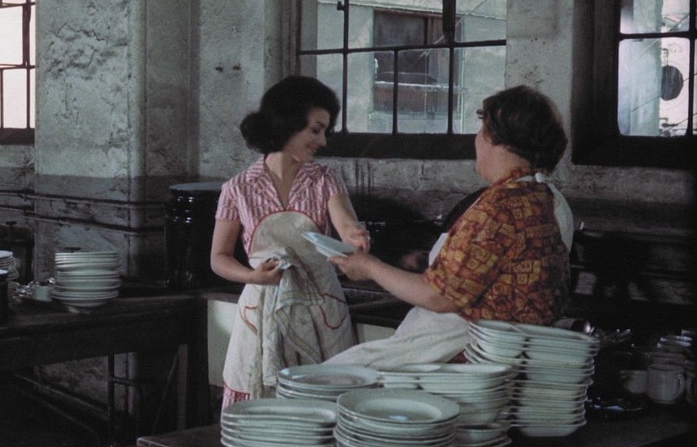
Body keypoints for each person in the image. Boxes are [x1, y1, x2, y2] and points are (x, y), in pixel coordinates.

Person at [326, 85, 574, 369]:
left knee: (331, 376)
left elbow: (439, 297)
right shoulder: (546, 198)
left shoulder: (501, 208)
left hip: (464, 353)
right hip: (506, 351)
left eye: (481, 130)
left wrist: (369, 267)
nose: (477, 139)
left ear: (495, 137)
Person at [211, 75, 370, 408]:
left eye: (325, 131)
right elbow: (219, 257)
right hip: (262, 310)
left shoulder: (325, 179)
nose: (322, 141)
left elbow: (345, 224)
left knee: (325, 406)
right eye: (316, 130)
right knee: (263, 409)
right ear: (287, 123)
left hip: (322, 311)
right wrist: (253, 276)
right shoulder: (237, 188)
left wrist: (354, 235)